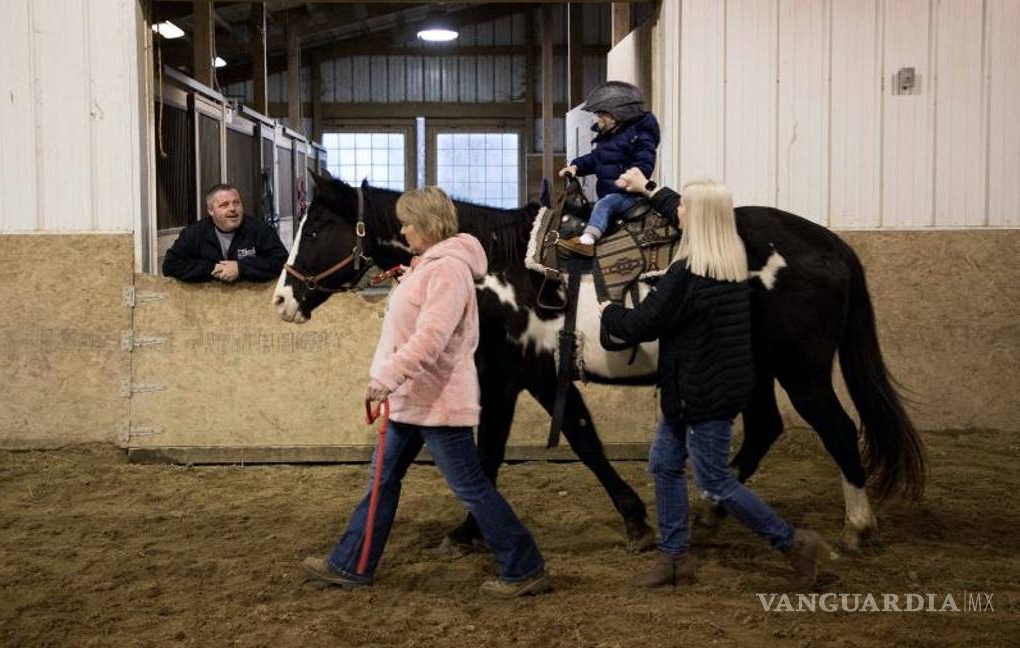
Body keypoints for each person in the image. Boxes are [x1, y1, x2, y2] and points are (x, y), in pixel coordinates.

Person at [301, 186, 550, 598]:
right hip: (413, 399)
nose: (401, 231)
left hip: (436, 399)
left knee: (470, 487)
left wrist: (387, 377)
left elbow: (432, 339)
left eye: (407, 224)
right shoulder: (429, 266)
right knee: (383, 479)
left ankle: (525, 566)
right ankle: (351, 563)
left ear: (428, 225)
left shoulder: (447, 271)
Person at [600, 167, 832, 590]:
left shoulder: (686, 275)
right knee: (664, 464)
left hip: (698, 395)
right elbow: (684, 209)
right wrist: (650, 190)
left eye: (685, 207)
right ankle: (675, 559)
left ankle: (794, 543)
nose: (678, 211)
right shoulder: (728, 261)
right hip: (703, 389)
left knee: (714, 481)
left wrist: (608, 310)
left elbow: (641, 325)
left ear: (699, 219)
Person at [556, 81, 660, 257]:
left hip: (629, 194)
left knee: (604, 205)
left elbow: (645, 162)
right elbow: (595, 159)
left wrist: (629, 179)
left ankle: (587, 241)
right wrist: (576, 166)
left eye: (601, 114)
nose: (598, 119)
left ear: (616, 115)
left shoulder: (640, 136)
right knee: (585, 208)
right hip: (610, 193)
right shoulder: (608, 137)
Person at [161, 183, 287, 283]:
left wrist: (241, 268)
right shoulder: (194, 233)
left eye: (236, 203)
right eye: (224, 205)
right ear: (211, 210)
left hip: (249, 301)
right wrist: (212, 269)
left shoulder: (259, 229)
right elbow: (170, 265)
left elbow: (281, 261)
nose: (232, 209)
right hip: (207, 302)